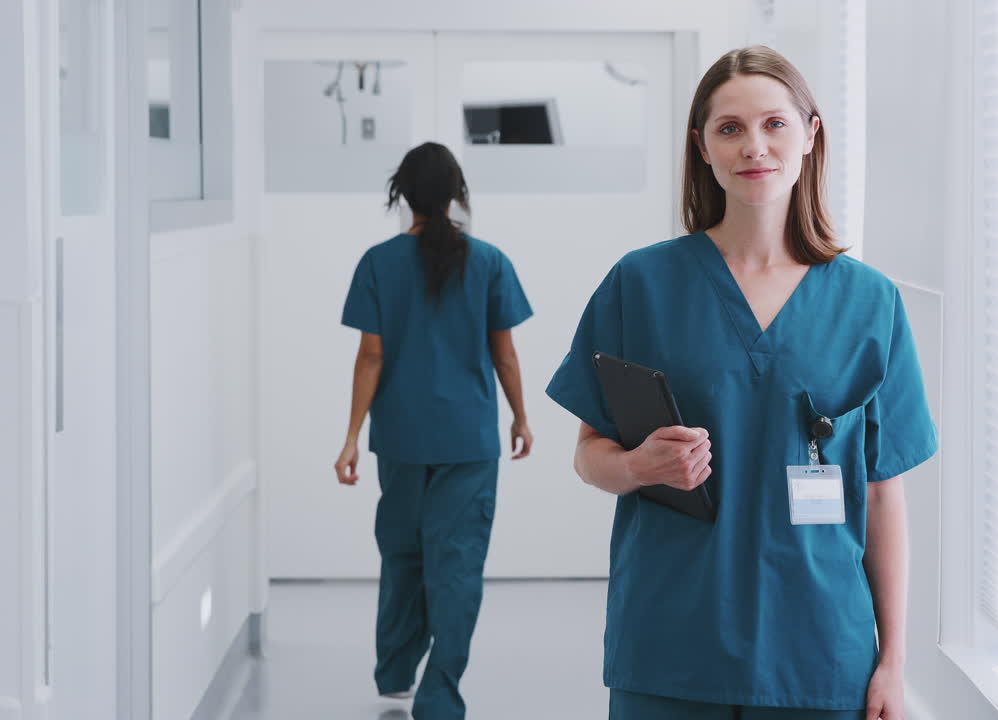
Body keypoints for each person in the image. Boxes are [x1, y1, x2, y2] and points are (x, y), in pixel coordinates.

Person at [546, 46, 936, 720]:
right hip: (671, 644)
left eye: (774, 124)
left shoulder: (871, 302)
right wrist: (638, 465)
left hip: (818, 655)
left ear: (811, 135)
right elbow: (590, 456)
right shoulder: (640, 285)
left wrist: (893, 663)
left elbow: (881, 497)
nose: (754, 146)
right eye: (729, 128)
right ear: (701, 146)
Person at [334, 141, 534, 720]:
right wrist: (520, 417)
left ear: (403, 195)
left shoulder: (377, 263)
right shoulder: (490, 261)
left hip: (398, 437)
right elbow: (506, 355)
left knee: (401, 553)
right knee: (458, 563)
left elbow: (369, 357)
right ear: (455, 196)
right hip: (469, 440)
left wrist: (350, 437)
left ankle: (396, 673)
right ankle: (440, 692)